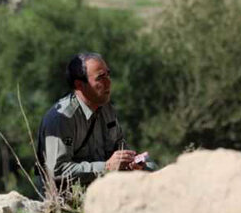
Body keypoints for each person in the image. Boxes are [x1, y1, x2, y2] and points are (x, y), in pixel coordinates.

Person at [36, 52, 156, 189]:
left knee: (150, 167)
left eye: (108, 74)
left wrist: (131, 162)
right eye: (100, 78)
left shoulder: (106, 108)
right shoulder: (62, 119)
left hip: (102, 186)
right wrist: (106, 167)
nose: (108, 82)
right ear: (80, 85)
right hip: (68, 199)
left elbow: (120, 147)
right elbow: (57, 171)